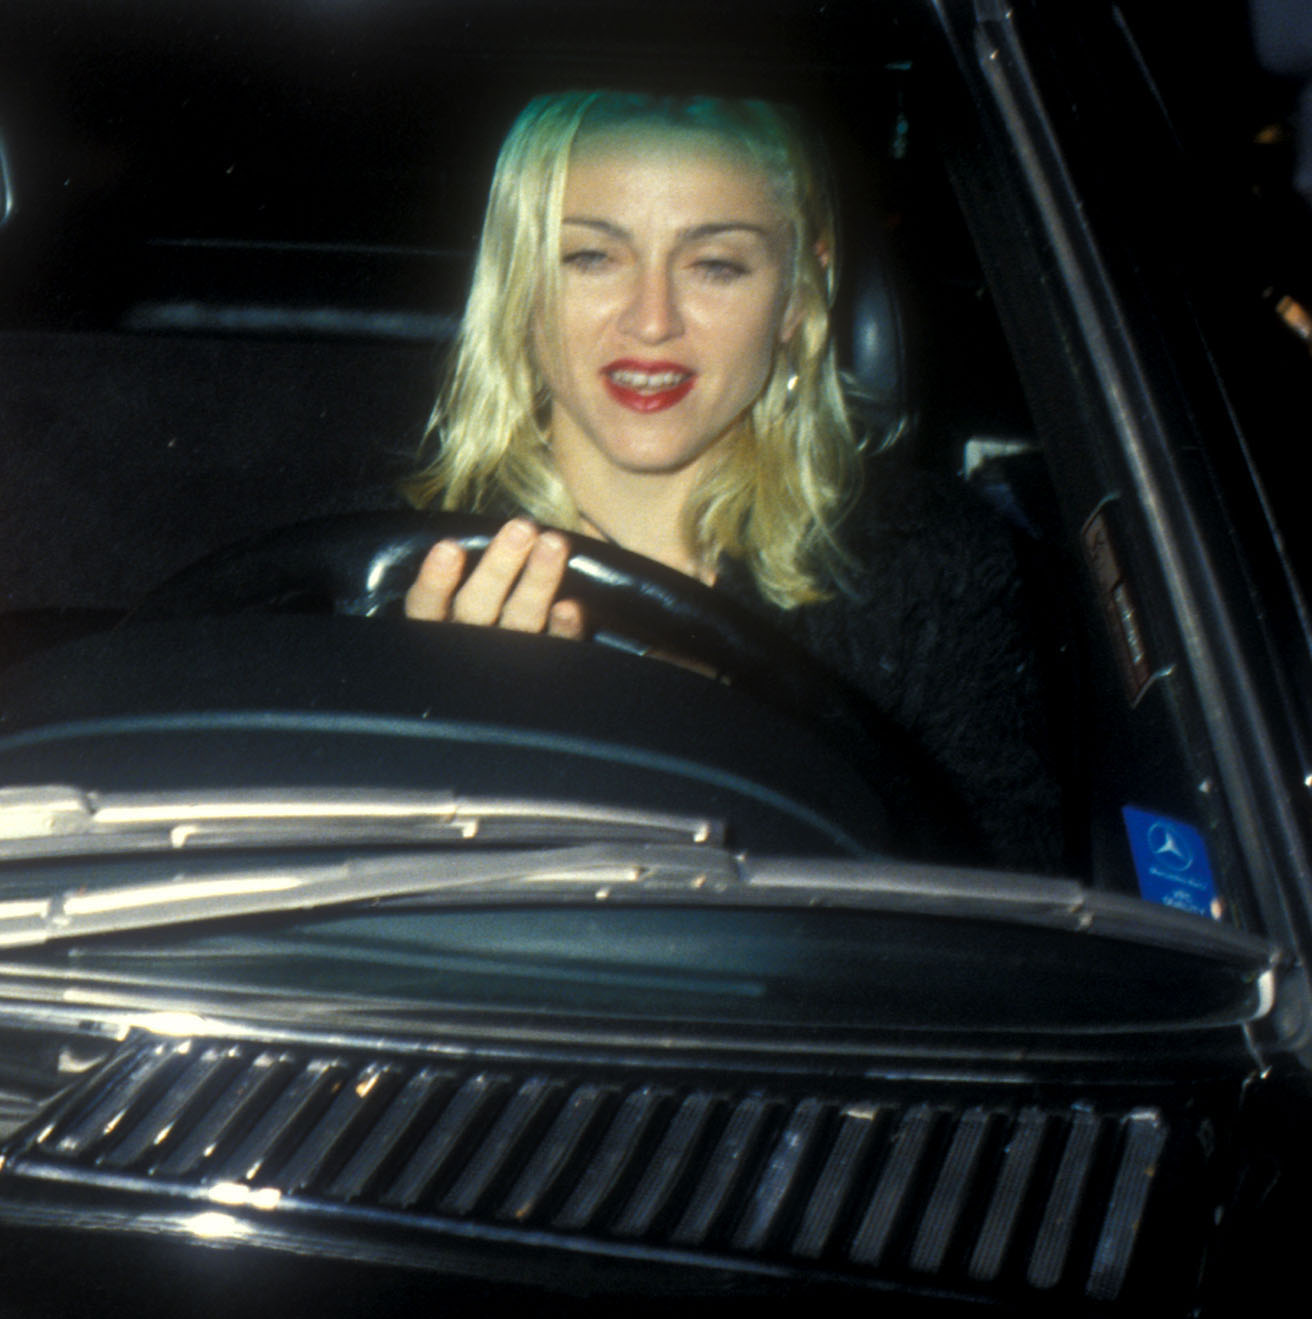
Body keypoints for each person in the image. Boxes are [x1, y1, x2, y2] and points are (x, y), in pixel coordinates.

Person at [400, 90, 1056, 866]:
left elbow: (996, 928)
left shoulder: (933, 574)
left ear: (796, 296)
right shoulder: (373, 575)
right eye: (590, 256)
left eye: (716, 265)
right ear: (520, 284)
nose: (651, 321)